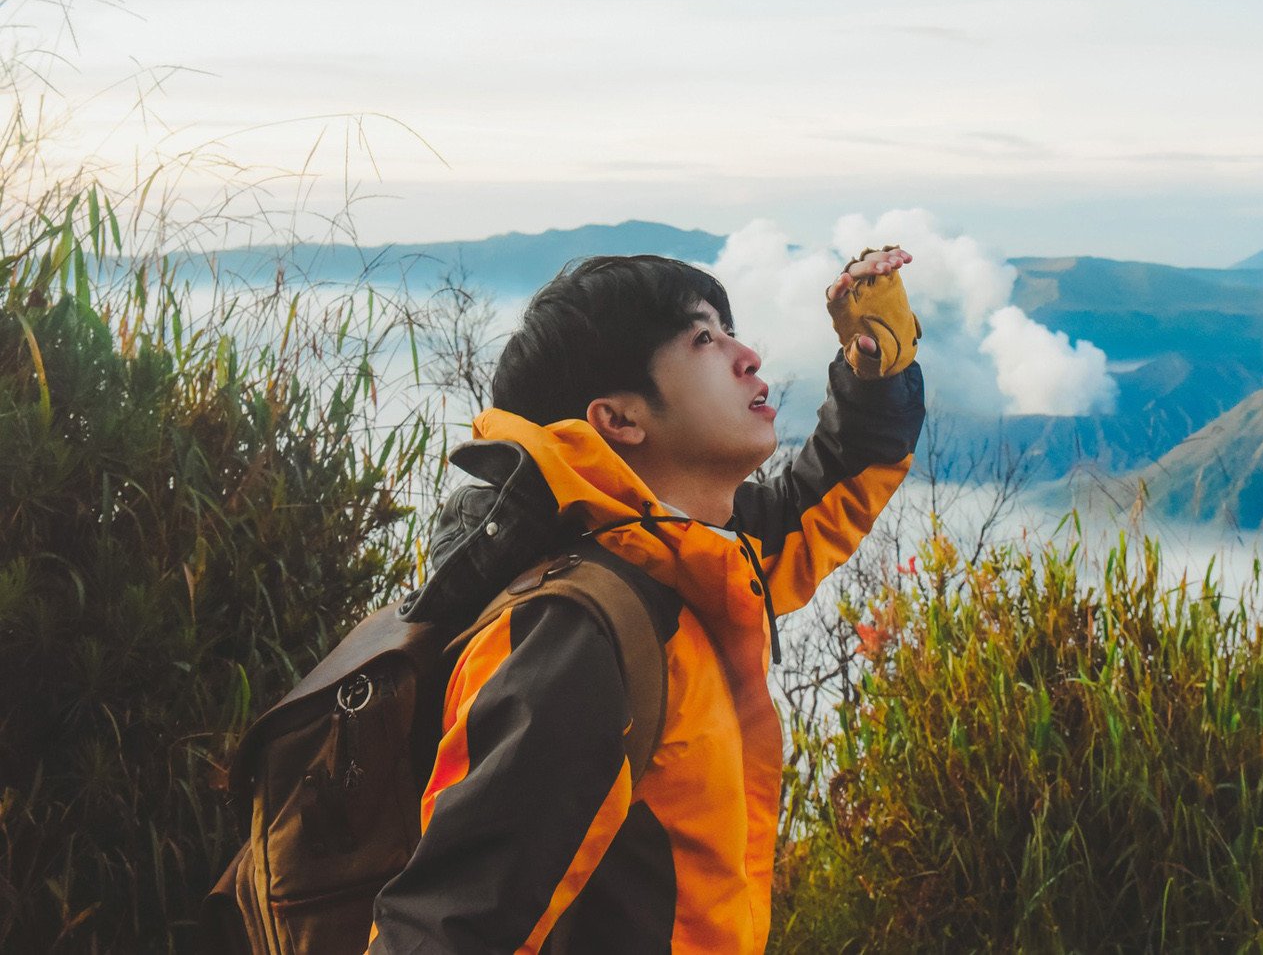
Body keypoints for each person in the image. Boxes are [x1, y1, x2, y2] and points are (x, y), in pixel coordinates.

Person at [366, 247, 924, 954]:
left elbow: (820, 499)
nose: (746, 355)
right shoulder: (576, 635)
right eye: (704, 339)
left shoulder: (688, 560)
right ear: (620, 419)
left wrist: (874, 365)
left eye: (729, 330)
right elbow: (448, 932)